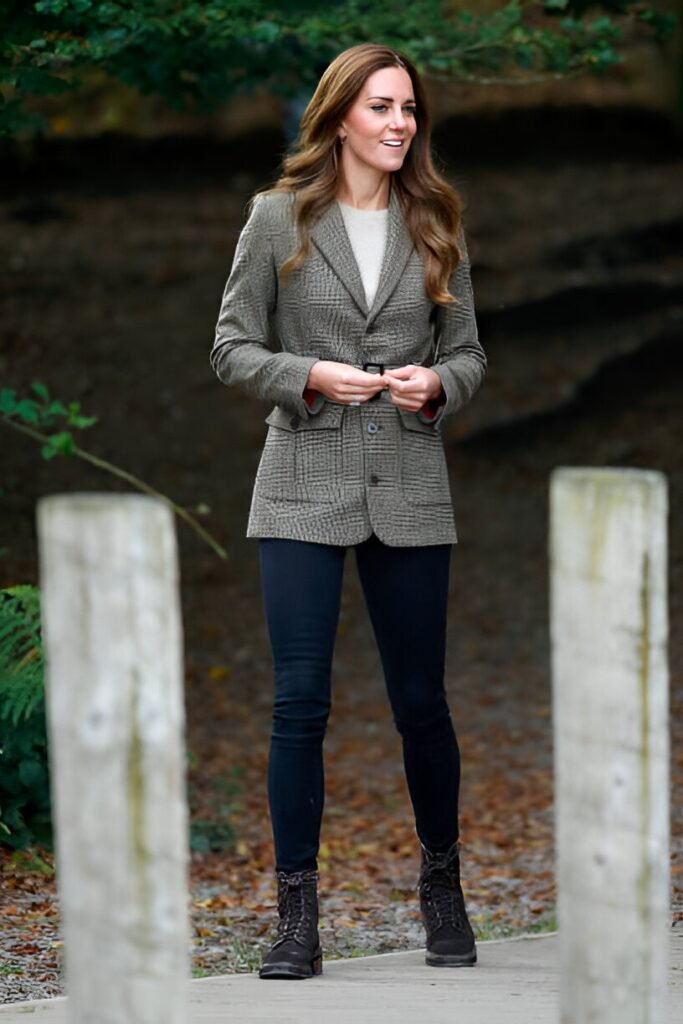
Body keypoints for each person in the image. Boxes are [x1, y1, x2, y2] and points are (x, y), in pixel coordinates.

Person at [210, 42, 487, 981]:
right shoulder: (276, 217)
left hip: (409, 485)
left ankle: (442, 892)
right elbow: (232, 347)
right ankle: (297, 919)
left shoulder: (437, 219)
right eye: (381, 107)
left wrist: (436, 385)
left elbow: (471, 353)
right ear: (338, 118)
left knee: (422, 706)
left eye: (409, 109)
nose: (400, 124)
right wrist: (307, 376)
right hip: (300, 484)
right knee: (298, 706)